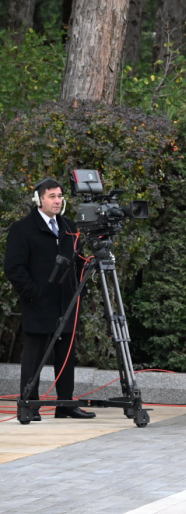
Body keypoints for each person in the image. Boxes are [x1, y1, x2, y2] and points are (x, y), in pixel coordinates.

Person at [4, 178, 94, 421]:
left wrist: (79, 292)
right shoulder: (23, 229)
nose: (58, 200)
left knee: (66, 355)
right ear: (39, 199)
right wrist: (33, 293)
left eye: (60, 196)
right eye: (52, 196)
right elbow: (14, 268)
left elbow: (80, 262)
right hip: (38, 304)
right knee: (34, 356)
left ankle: (65, 403)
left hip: (66, 303)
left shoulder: (69, 227)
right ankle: (29, 405)